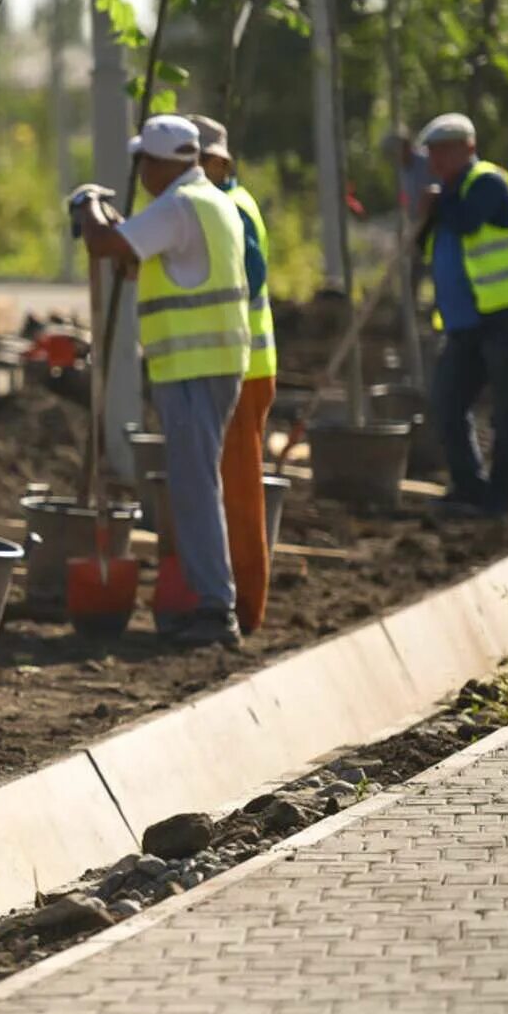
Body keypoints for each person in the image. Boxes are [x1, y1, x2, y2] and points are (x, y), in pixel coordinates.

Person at [72, 115, 249, 648]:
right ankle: (211, 600)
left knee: (195, 488)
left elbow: (106, 244)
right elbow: (132, 252)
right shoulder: (211, 200)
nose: (140, 171)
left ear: (159, 163)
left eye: (142, 161)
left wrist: (87, 206)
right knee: (197, 484)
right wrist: (112, 226)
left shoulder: (177, 207)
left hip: (195, 368)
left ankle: (217, 609)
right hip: (214, 363)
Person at [417, 112, 508, 520]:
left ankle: (502, 496)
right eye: (433, 153)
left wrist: (438, 202)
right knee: (447, 401)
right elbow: (428, 247)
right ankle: (469, 486)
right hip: (467, 322)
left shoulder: (487, 183)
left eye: (445, 151)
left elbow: (468, 223)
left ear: (468, 149)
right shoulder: (447, 194)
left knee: (507, 408)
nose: (437, 160)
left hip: (507, 314)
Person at [190, 114, 275, 636]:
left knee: (240, 496)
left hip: (245, 368)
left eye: (200, 161)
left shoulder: (232, 208)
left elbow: (253, 276)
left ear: (221, 162)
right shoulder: (222, 204)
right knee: (231, 488)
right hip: (236, 367)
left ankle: (245, 611)